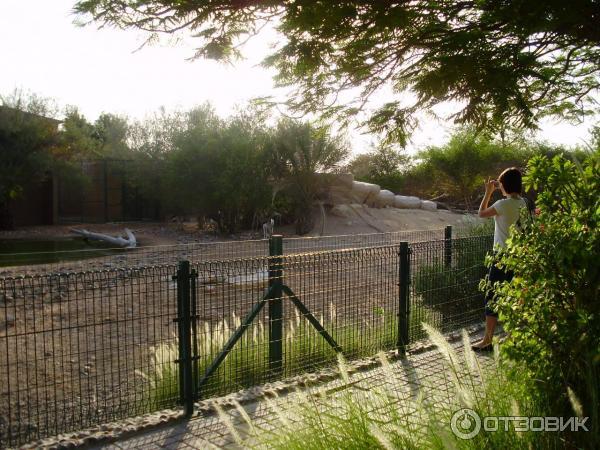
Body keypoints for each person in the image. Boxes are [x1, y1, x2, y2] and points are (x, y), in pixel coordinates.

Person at [471, 167, 526, 351]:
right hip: (518, 256)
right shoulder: (524, 203)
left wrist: (488, 193)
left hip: (501, 256)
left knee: (492, 296)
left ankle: (487, 340)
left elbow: (481, 214)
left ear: (504, 185)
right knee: (514, 296)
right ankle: (513, 338)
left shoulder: (503, 205)